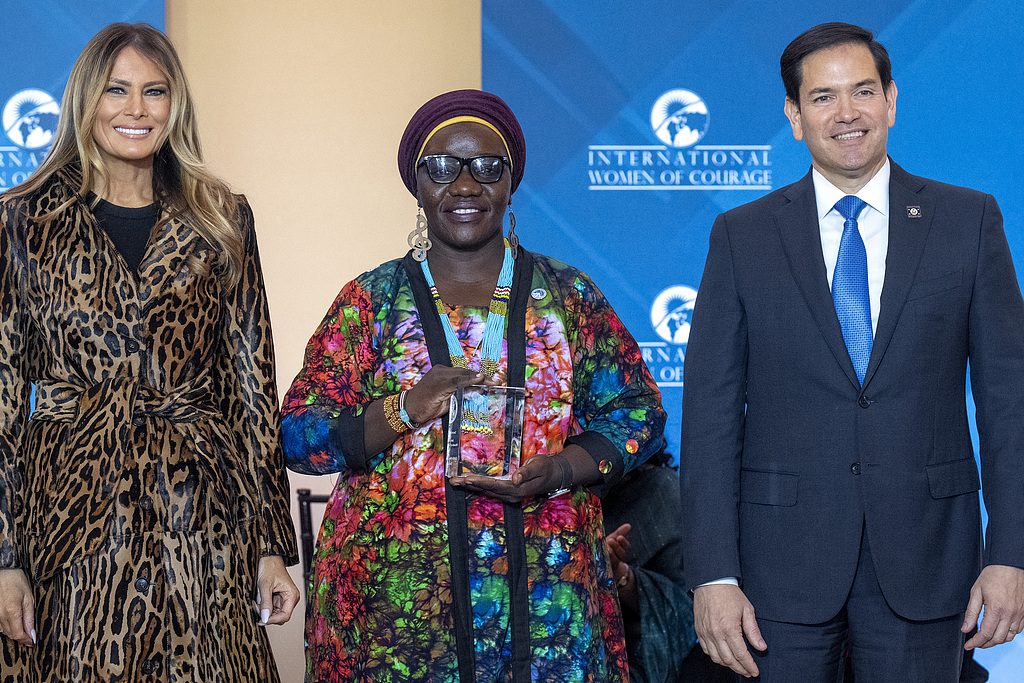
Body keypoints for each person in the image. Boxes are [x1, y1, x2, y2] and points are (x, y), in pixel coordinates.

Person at [281, 89, 665, 682]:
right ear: (416, 182)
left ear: (511, 182)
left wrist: (562, 469)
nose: (465, 185)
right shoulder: (372, 302)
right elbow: (298, 436)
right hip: (393, 615)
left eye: (488, 167)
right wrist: (405, 408)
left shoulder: (567, 296)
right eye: (442, 167)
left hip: (549, 606)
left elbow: (639, 413)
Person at [681, 22, 1024, 682]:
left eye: (863, 91)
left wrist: (1010, 552)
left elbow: (1010, 404)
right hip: (777, 572)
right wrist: (713, 573)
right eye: (823, 97)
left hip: (929, 561)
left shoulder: (968, 221)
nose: (846, 114)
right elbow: (711, 420)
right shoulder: (741, 237)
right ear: (794, 114)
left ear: (892, 101)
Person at [0, 23, 299, 680]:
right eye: (117, 90)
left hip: (202, 510)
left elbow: (250, 388)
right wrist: (4, 558)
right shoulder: (20, 221)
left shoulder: (222, 217)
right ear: (84, 100)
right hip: (72, 510)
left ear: (176, 105)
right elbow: (0, 402)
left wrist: (271, 544)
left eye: (155, 92)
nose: (136, 110)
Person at [602, 450, 733, 683]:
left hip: (642, 660)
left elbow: (685, 616)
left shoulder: (661, 494)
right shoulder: (542, 509)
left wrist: (620, 575)